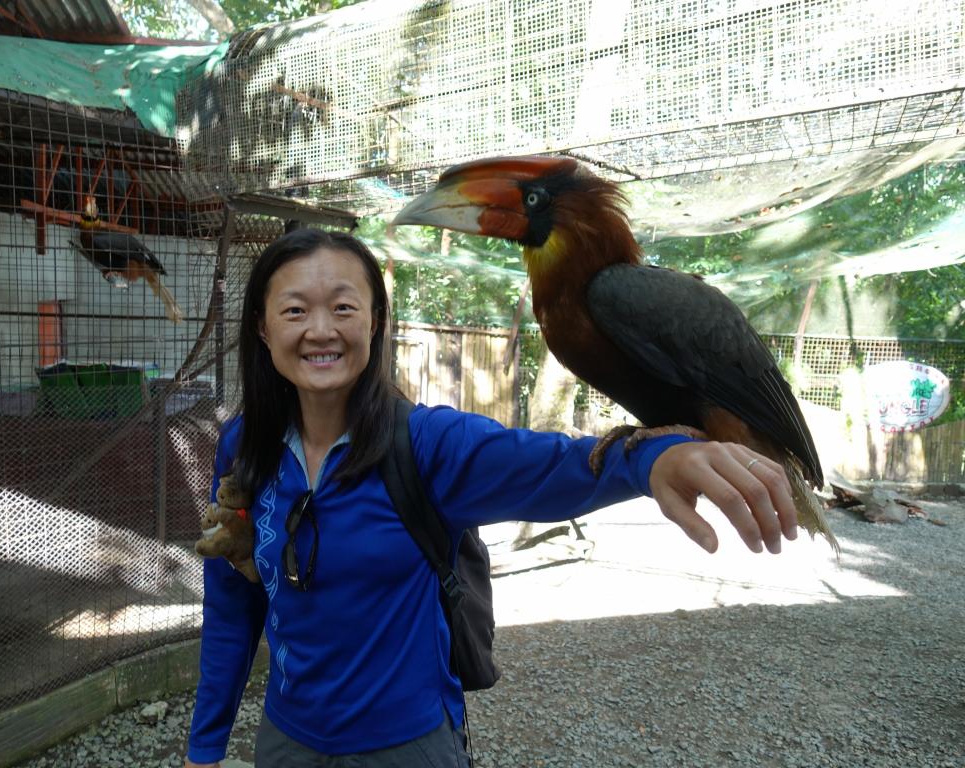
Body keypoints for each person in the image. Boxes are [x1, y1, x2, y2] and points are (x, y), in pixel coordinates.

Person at [184, 228, 799, 768]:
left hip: (409, 746)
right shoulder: (245, 449)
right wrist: (205, 747)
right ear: (263, 329)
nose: (321, 329)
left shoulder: (426, 443)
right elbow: (232, 607)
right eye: (295, 311)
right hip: (286, 742)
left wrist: (656, 457)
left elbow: (553, 464)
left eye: (344, 307)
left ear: (375, 322)